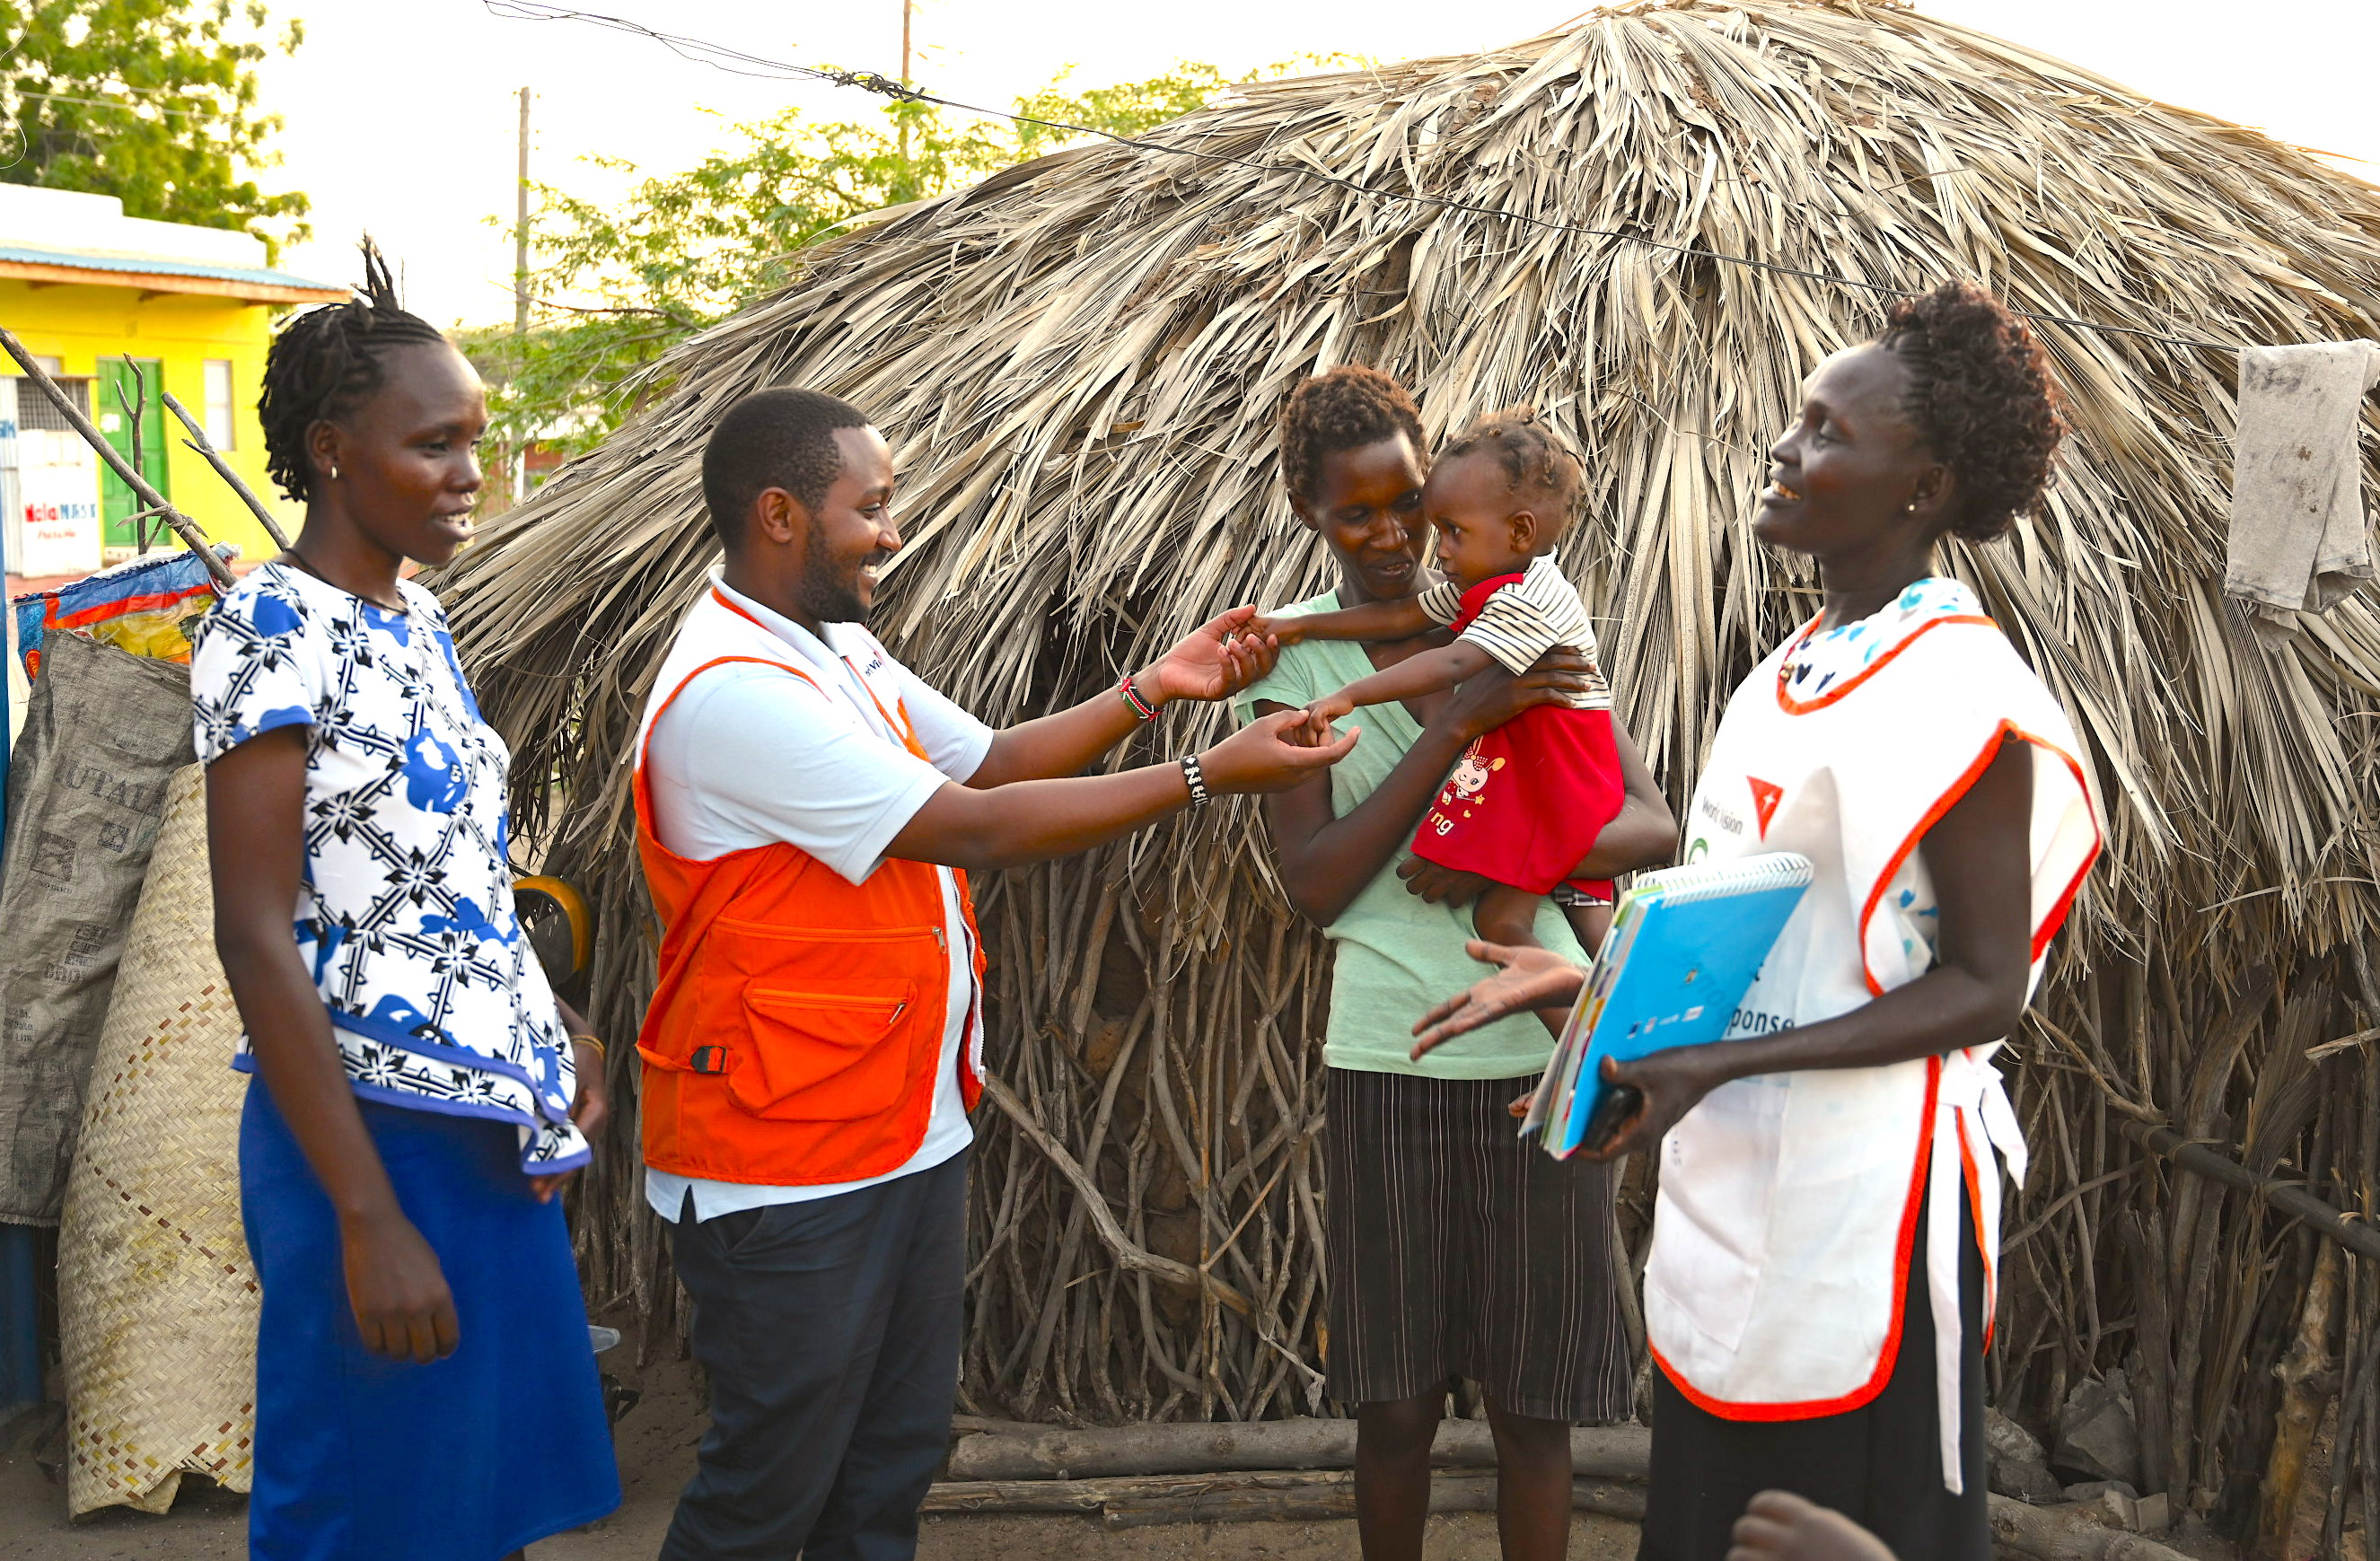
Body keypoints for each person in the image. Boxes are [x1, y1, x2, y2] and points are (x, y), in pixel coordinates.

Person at [1412, 283, 2103, 1561]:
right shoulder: (1784, 674)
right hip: (1734, 1186)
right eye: (1796, 419)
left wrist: (1715, 1062)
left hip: (1866, 1205)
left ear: (1924, 484)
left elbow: (1983, 987)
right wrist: (1585, 995)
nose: (1784, 447)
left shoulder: (1960, 692)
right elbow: (1761, 942)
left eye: (1827, 431)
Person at [634, 387, 1349, 1561]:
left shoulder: (834, 651)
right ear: (779, 514)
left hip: (896, 1129)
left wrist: (1152, 690)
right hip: (786, 1155)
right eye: (870, 507)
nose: (891, 530)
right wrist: (1203, 775)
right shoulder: (734, 695)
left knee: (886, 1465)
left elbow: (997, 758)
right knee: (770, 1487)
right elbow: (980, 825)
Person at [197, 243, 620, 1561]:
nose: (467, 473)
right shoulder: (272, 626)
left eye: (474, 441)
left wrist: (554, 1020)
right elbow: (256, 928)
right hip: (365, 1136)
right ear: (331, 449)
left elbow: (433, 880)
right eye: (432, 444)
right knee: (358, 1502)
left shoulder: (417, 619)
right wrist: (367, 1216)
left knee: (469, 1491)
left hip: (484, 1116)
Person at [1235, 366, 1678, 1561]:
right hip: (1387, 1051)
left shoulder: (1513, 614)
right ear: (1306, 511)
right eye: (1354, 513)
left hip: (1540, 1051)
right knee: (1391, 1403)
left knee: (1536, 1407)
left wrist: (1495, 840)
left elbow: (1649, 821)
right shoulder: (1296, 668)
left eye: (1404, 503)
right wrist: (1448, 741)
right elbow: (1316, 883)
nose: (1387, 535)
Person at [1260, 408, 1624, 952]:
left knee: (1585, 946)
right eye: (1359, 512)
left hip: (1566, 773)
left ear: (1519, 530)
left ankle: (1602, 1036)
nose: (1430, 546)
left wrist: (1351, 694)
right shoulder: (1482, 584)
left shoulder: (1529, 599)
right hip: (1396, 1007)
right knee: (1513, 926)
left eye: (1448, 528)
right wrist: (1301, 625)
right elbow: (1404, 616)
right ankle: (1596, 1031)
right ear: (1307, 512)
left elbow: (1454, 664)